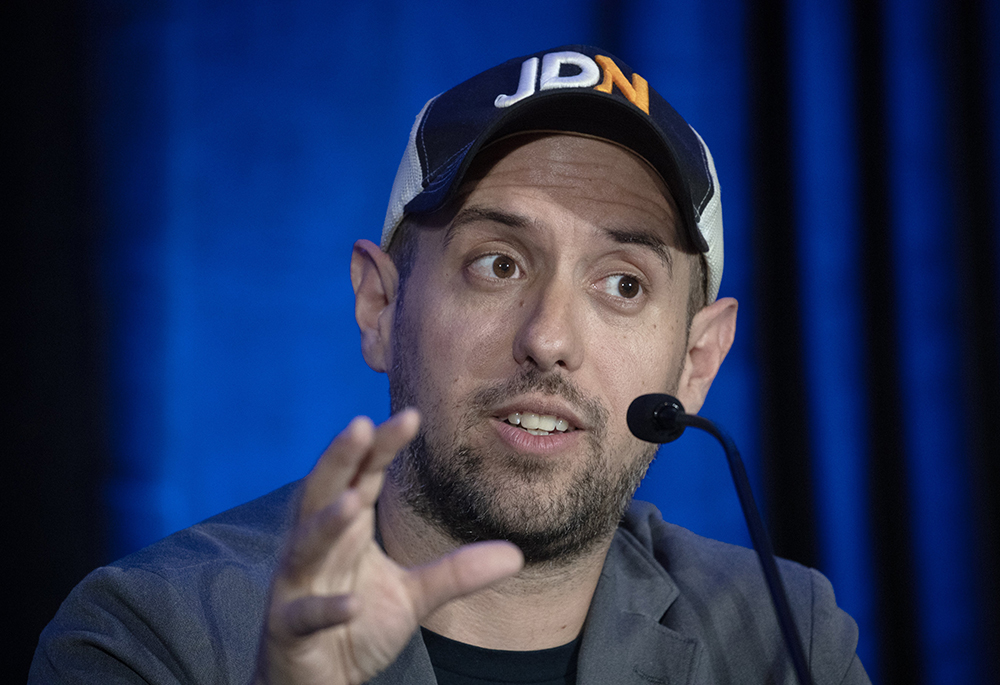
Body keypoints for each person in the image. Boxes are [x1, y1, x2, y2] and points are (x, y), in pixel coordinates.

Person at [30, 45, 870, 685]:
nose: (548, 337)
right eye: (497, 263)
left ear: (696, 361)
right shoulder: (148, 634)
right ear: (379, 307)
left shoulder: (785, 637)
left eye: (622, 283)